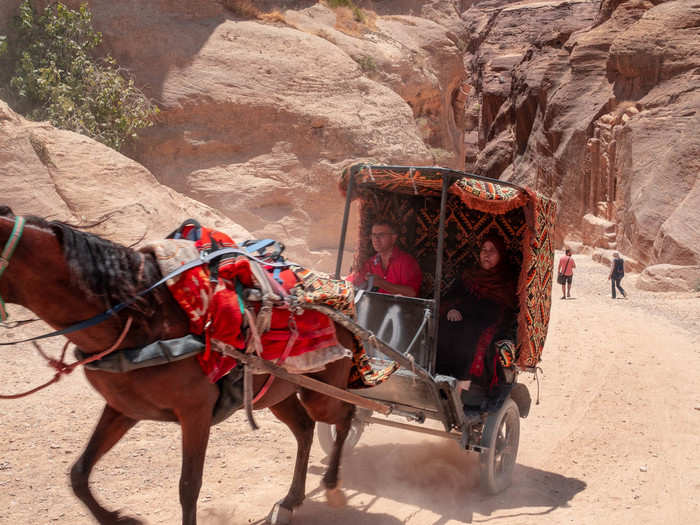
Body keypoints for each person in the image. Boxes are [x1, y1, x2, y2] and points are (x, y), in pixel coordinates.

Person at [435, 235, 518, 391]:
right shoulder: (470, 275)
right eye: (484, 250)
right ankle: (440, 377)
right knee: (444, 326)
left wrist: (464, 310)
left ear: (501, 255)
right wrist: (452, 309)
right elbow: (452, 296)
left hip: (490, 320)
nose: (486, 254)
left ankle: (463, 381)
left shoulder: (505, 280)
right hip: (463, 317)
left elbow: (500, 308)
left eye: (492, 251)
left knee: (470, 330)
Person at [347, 221, 422, 297]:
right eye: (374, 235)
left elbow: (412, 293)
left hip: (401, 307)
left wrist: (382, 283)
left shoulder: (406, 262)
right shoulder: (371, 262)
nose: (376, 239)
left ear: (393, 238)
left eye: (381, 235)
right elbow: (353, 281)